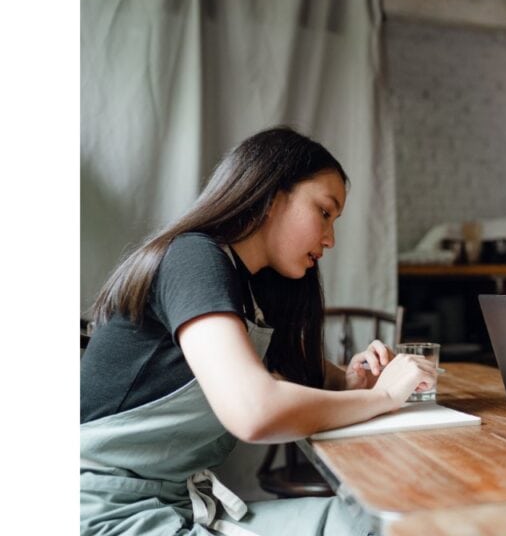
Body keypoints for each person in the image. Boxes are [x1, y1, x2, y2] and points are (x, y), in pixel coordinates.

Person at [80, 127, 437, 536]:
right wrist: (383, 396)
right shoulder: (194, 257)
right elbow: (254, 410)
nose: (330, 238)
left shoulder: (248, 287)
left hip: (172, 506)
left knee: (375, 522)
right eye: (324, 211)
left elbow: (288, 374)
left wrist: (350, 379)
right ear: (271, 195)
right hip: (105, 517)